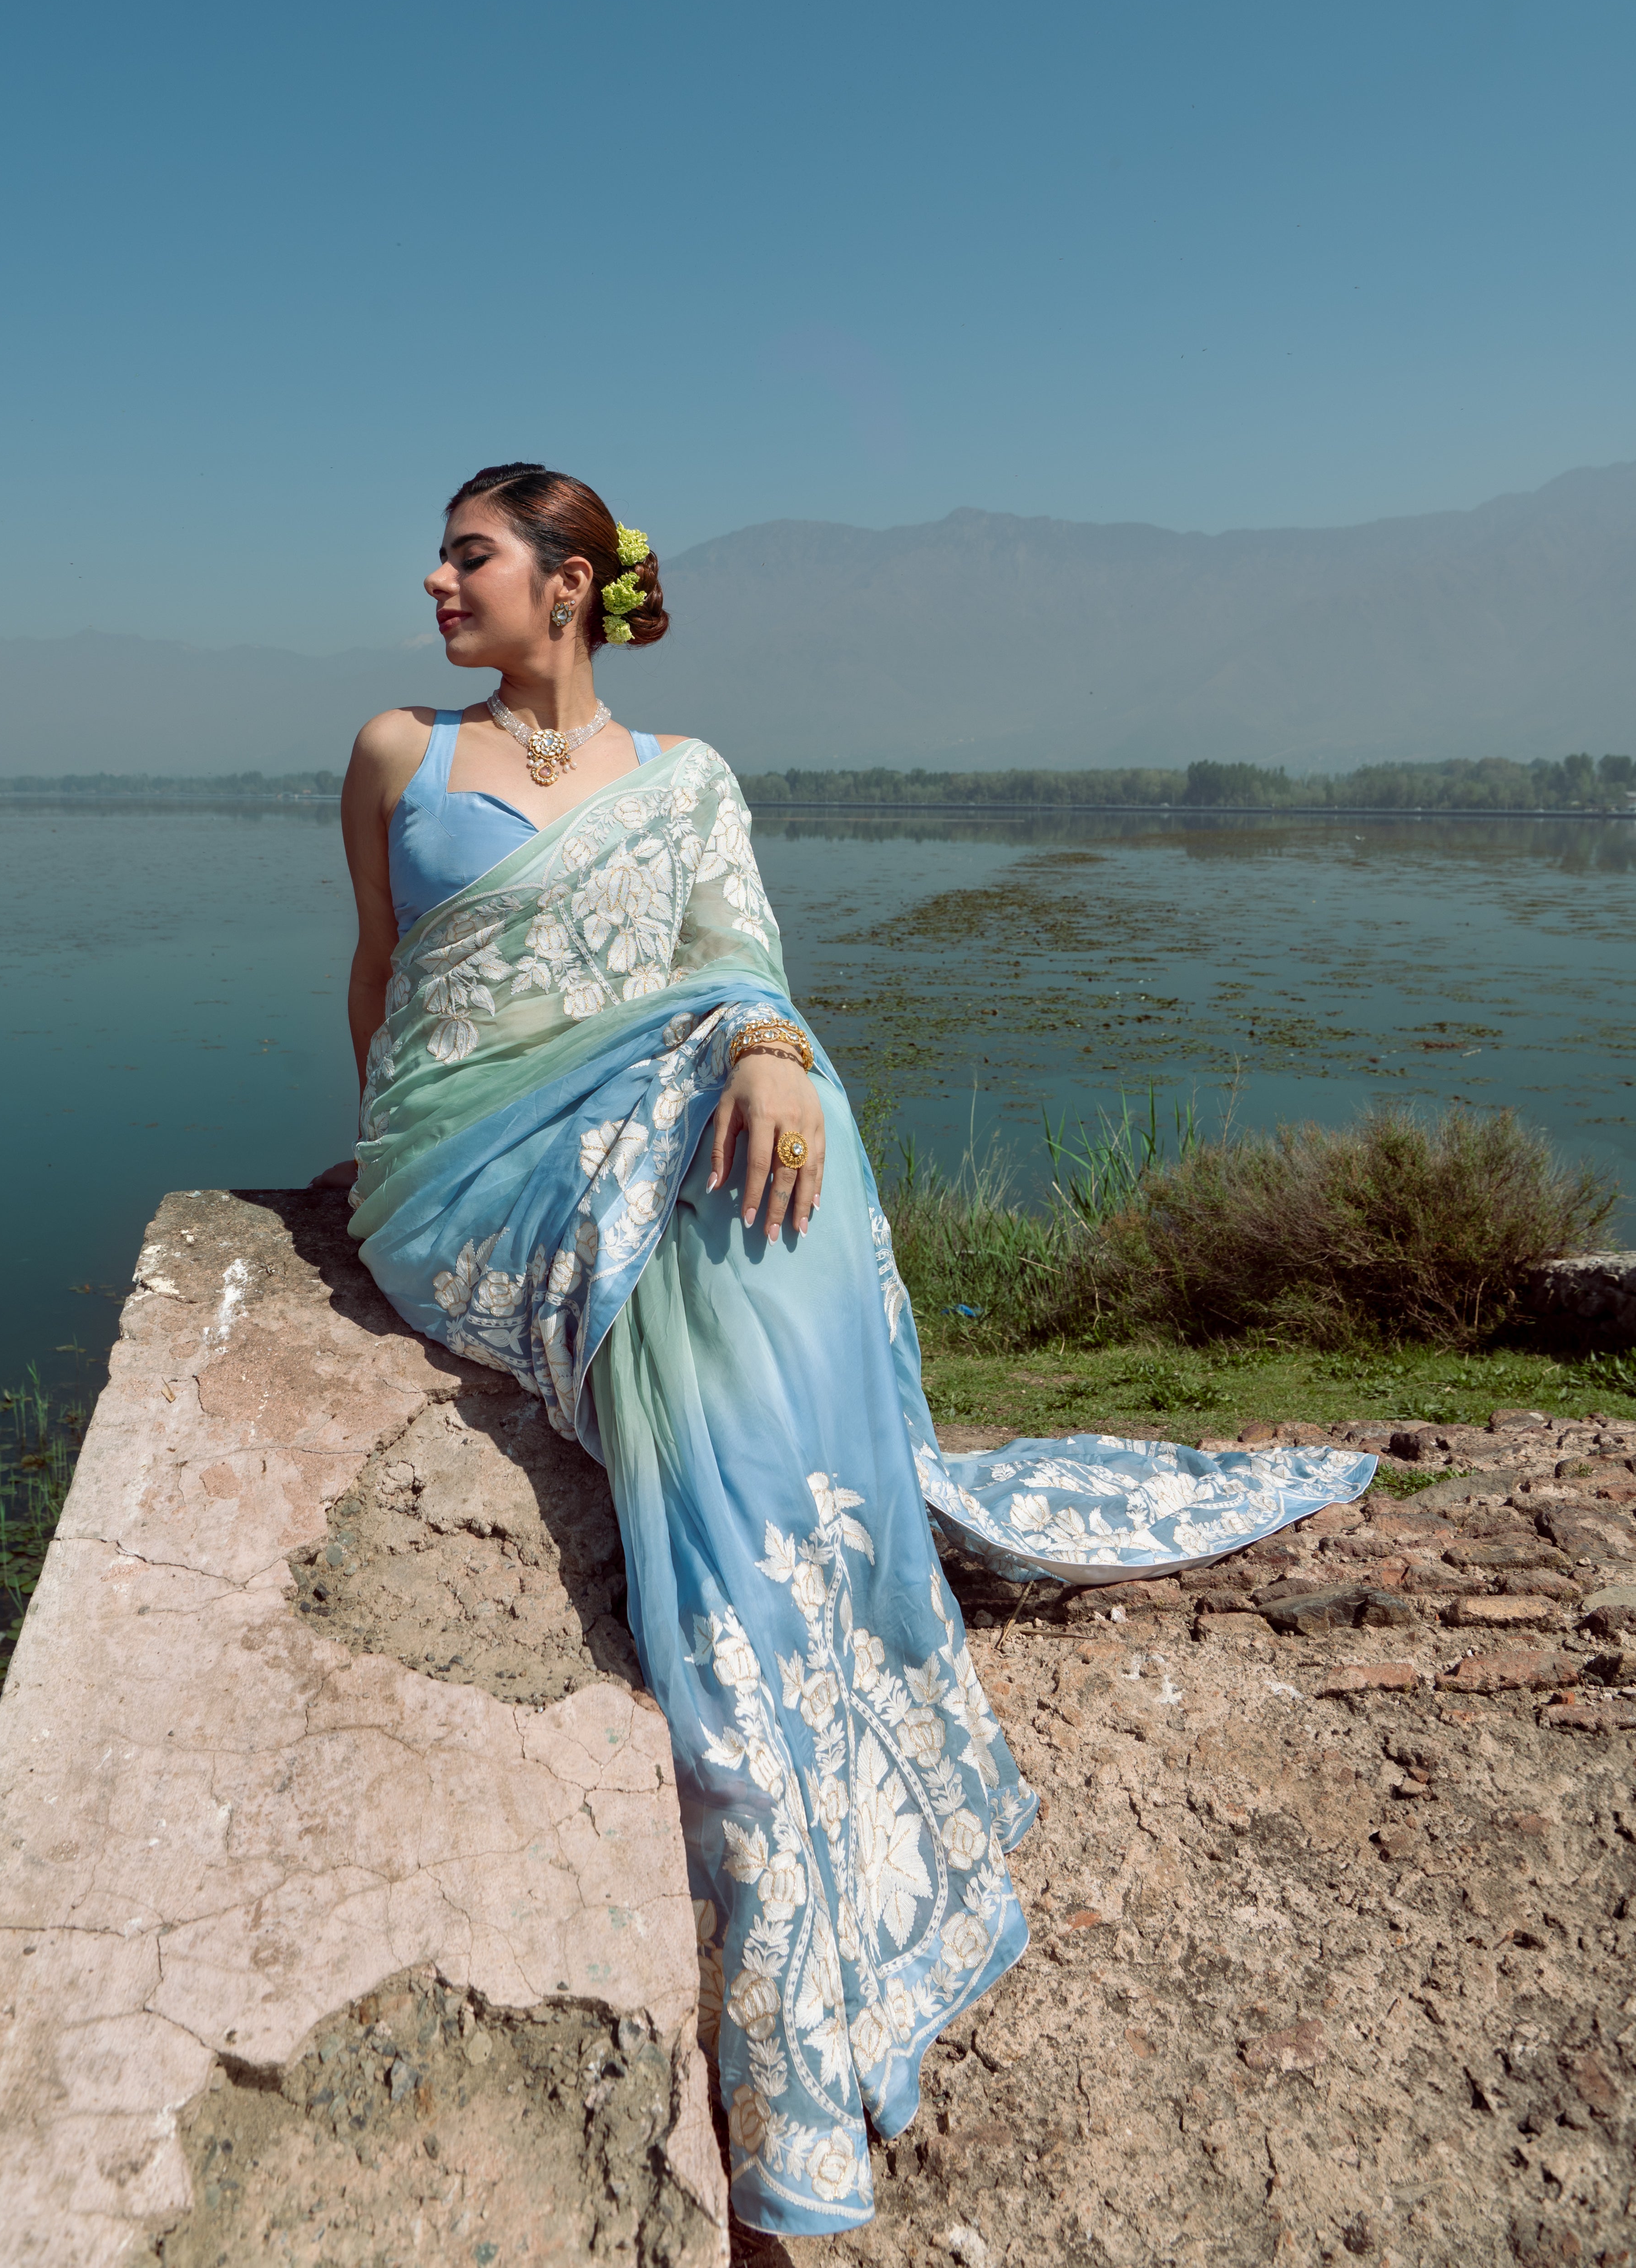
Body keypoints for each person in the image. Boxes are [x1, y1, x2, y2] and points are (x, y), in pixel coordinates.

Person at [321, 463, 1375, 2237]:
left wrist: (764, 1048)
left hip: (639, 1132)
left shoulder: (688, 782)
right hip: (460, 1173)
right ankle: (761, 1541)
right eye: (441, 556)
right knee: (713, 1088)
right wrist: (391, 1149)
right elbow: (378, 971)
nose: (436, 581)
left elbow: (739, 957)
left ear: (568, 585)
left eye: (470, 555)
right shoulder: (396, 753)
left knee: (764, 1083)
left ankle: (781, 1540)